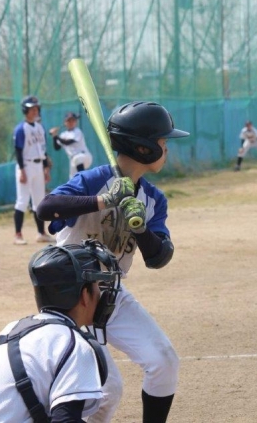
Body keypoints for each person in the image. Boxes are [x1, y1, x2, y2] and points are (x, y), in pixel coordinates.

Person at [36, 101, 189, 423]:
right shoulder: (94, 180)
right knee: (107, 388)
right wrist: (104, 200)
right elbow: (46, 208)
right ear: (144, 148)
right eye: (163, 143)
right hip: (72, 298)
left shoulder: (153, 199)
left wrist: (141, 226)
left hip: (110, 295)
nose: (166, 150)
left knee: (164, 361)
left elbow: (159, 257)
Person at [0, 239, 123, 423]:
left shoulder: (13, 330)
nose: (101, 294)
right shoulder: (73, 344)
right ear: (84, 295)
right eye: (97, 286)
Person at [13, 95, 56, 245]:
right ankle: (18, 235)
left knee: (39, 201)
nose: (35, 111)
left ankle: (41, 233)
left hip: (38, 166)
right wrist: (22, 171)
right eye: (32, 108)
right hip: (25, 165)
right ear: (25, 110)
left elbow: (43, 150)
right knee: (22, 201)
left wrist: (46, 169)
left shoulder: (39, 128)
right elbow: (18, 151)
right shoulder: (21, 129)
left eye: (36, 108)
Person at [49, 111, 94, 179]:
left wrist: (57, 136)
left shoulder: (77, 131)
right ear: (65, 122)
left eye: (73, 120)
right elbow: (57, 147)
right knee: (72, 179)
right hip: (73, 160)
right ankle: (82, 181)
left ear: (76, 122)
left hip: (84, 156)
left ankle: (84, 179)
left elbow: (68, 142)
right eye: (69, 120)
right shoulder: (63, 134)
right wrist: (54, 136)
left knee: (77, 159)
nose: (71, 122)